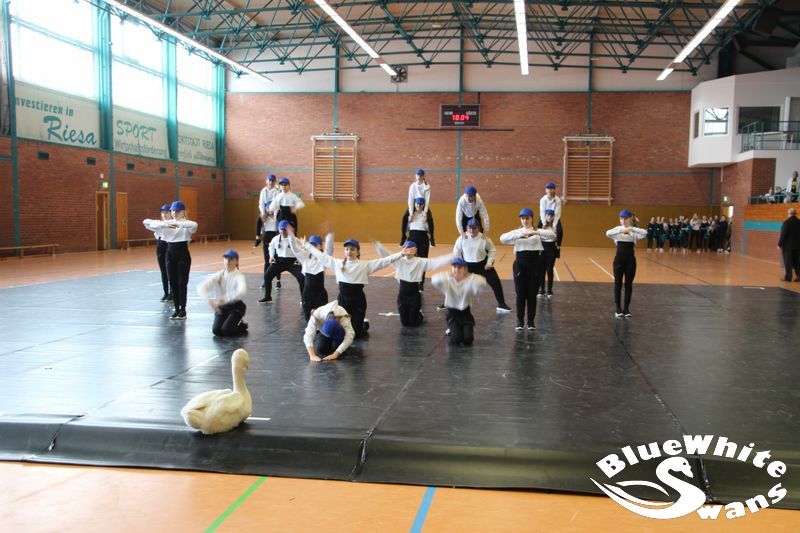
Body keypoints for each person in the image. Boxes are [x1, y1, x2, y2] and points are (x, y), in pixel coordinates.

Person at [305, 235, 403, 338]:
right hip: (343, 301)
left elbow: (385, 261)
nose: (349, 251)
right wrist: (307, 245)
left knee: (355, 334)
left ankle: (363, 324)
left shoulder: (365, 265)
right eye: (347, 249)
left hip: (358, 301)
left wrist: (401, 253)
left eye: (352, 249)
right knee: (341, 331)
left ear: (358, 252)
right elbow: (321, 256)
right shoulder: (337, 264)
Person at [500, 208, 555, 331]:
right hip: (520, 265)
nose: (525, 221)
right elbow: (502, 238)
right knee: (520, 294)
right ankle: (520, 321)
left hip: (535, 265)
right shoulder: (517, 232)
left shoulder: (537, 231)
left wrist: (536, 233)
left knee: (532, 294)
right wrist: (519, 235)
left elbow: (552, 235)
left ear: (532, 219)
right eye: (523, 218)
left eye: (527, 218)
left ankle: (531, 322)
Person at [375, 241, 451, 327]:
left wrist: (451, 256)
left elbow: (435, 262)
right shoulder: (399, 261)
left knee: (413, 323)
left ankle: (419, 314)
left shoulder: (420, 262)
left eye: (409, 248)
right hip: (402, 297)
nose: (407, 250)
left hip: (414, 297)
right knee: (405, 323)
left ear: (415, 251)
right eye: (405, 248)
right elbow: (387, 256)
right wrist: (378, 246)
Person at [147, 200, 198, 320]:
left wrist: (179, 223)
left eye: (178, 211)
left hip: (182, 253)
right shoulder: (167, 223)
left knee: (182, 282)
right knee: (173, 282)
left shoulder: (187, 224)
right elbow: (148, 223)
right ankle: (176, 308)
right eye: (173, 211)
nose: (175, 213)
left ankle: (183, 309)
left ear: (183, 212)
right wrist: (165, 225)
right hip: (170, 253)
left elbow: (194, 226)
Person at [452, 218, 511, 311]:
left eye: (474, 228)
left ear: (478, 228)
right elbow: (456, 251)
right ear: (467, 228)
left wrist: (489, 262)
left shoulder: (484, 238)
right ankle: (448, 303)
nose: (472, 230)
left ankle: (501, 304)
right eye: (470, 227)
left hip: (483, 266)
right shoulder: (462, 238)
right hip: (467, 266)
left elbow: (492, 250)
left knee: (495, 282)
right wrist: (459, 263)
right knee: (454, 283)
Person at [431, 258, 487, 346]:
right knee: (456, 339)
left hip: (465, 313)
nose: (457, 269)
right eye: (454, 267)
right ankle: (452, 329)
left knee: (468, 340)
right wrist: (448, 275)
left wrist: (469, 276)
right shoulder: (448, 281)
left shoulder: (469, 281)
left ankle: (462, 329)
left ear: (465, 269)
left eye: (460, 267)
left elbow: (482, 282)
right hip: (452, 314)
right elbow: (434, 280)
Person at [606, 210, 647, 318]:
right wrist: (622, 229)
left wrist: (632, 229)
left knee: (628, 284)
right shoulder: (617, 230)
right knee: (618, 284)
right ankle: (618, 308)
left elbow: (645, 233)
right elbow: (607, 233)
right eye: (621, 218)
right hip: (618, 261)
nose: (623, 221)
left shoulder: (634, 233)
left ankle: (626, 308)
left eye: (625, 218)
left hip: (630, 261)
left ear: (630, 219)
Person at [196, 249, 249, 336]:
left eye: (231, 259)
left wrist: (225, 298)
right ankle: (229, 321)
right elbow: (201, 287)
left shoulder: (239, 276)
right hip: (222, 307)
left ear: (236, 262)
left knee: (226, 331)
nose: (228, 261)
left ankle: (242, 325)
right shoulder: (219, 275)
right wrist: (209, 300)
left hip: (236, 307)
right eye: (226, 258)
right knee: (216, 331)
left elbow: (241, 291)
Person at [259, 220, 305, 304]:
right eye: (281, 229)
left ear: (288, 230)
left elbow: (301, 249)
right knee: (267, 276)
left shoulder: (294, 239)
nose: (282, 231)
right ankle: (268, 297)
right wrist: (271, 256)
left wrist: (300, 259)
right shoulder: (276, 239)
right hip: (279, 261)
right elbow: (271, 247)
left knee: (302, 277)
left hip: (292, 262)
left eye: (284, 229)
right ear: (278, 229)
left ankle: (304, 299)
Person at [289, 234, 331, 320]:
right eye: (311, 245)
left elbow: (329, 250)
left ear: (320, 246)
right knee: (308, 318)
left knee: (322, 317)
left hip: (320, 294)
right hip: (307, 294)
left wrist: (329, 237)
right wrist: (290, 236)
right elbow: (295, 249)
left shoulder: (323, 258)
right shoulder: (305, 257)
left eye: (315, 245)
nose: (312, 247)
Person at [143, 204, 172, 302]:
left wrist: (165, 224)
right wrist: (162, 224)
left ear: (171, 213)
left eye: (166, 213)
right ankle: (166, 293)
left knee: (170, 271)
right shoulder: (159, 224)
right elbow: (146, 222)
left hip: (169, 245)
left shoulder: (173, 223)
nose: (164, 215)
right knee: (163, 270)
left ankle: (172, 293)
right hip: (160, 246)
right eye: (163, 213)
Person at [406, 196, 436, 290]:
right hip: (412, 238)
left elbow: (430, 230)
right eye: (417, 204)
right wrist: (408, 220)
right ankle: (410, 280)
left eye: (421, 204)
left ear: (424, 205)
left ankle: (421, 283)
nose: (418, 205)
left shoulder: (426, 215)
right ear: (414, 204)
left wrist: (426, 221)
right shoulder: (411, 214)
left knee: (423, 261)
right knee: (410, 259)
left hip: (423, 239)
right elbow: (406, 229)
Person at [400, 170, 435, 246]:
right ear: (415, 176)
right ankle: (403, 236)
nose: (419, 177)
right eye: (418, 175)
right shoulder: (412, 186)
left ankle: (431, 238)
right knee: (405, 217)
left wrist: (425, 212)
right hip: (415, 204)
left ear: (423, 176)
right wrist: (411, 213)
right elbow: (410, 199)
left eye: (421, 175)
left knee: (430, 219)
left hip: (423, 204)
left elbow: (427, 200)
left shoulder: (427, 186)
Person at [537, 209, 559, 298]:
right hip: (542, 249)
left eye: (551, 216)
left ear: (553, 217)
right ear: (545, 216)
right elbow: (536, 234)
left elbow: (560, 236)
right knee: (541, 270)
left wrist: (556, 232)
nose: (549, 217)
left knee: (549, 270)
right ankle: (541, 289)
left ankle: (549, 290)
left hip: (551, 249)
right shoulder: (541, 224)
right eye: (548, 215)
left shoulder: (556, 225)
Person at [778, 208, 800, 282]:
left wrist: (779, 244)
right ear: (795, 214)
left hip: (788, 246)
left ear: (789, 214)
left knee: (788, 262)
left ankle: (788, 277)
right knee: (796, 262)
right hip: (798, 246)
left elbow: (783, 234)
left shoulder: (787, 222)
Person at [539, 181, 564, 247]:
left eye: (551, 188)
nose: (549, 190)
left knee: (560, 231)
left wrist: (554, 225)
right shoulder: (543, 200)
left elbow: (557, 213)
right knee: (537, 229)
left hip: (554, 217)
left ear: (554, 190)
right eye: (548, 188)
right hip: (545, 217)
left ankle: (558, 246)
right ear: (546, 190)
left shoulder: (557, 200)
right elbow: (542, 212)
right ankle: (538, 245)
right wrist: (544, 223)